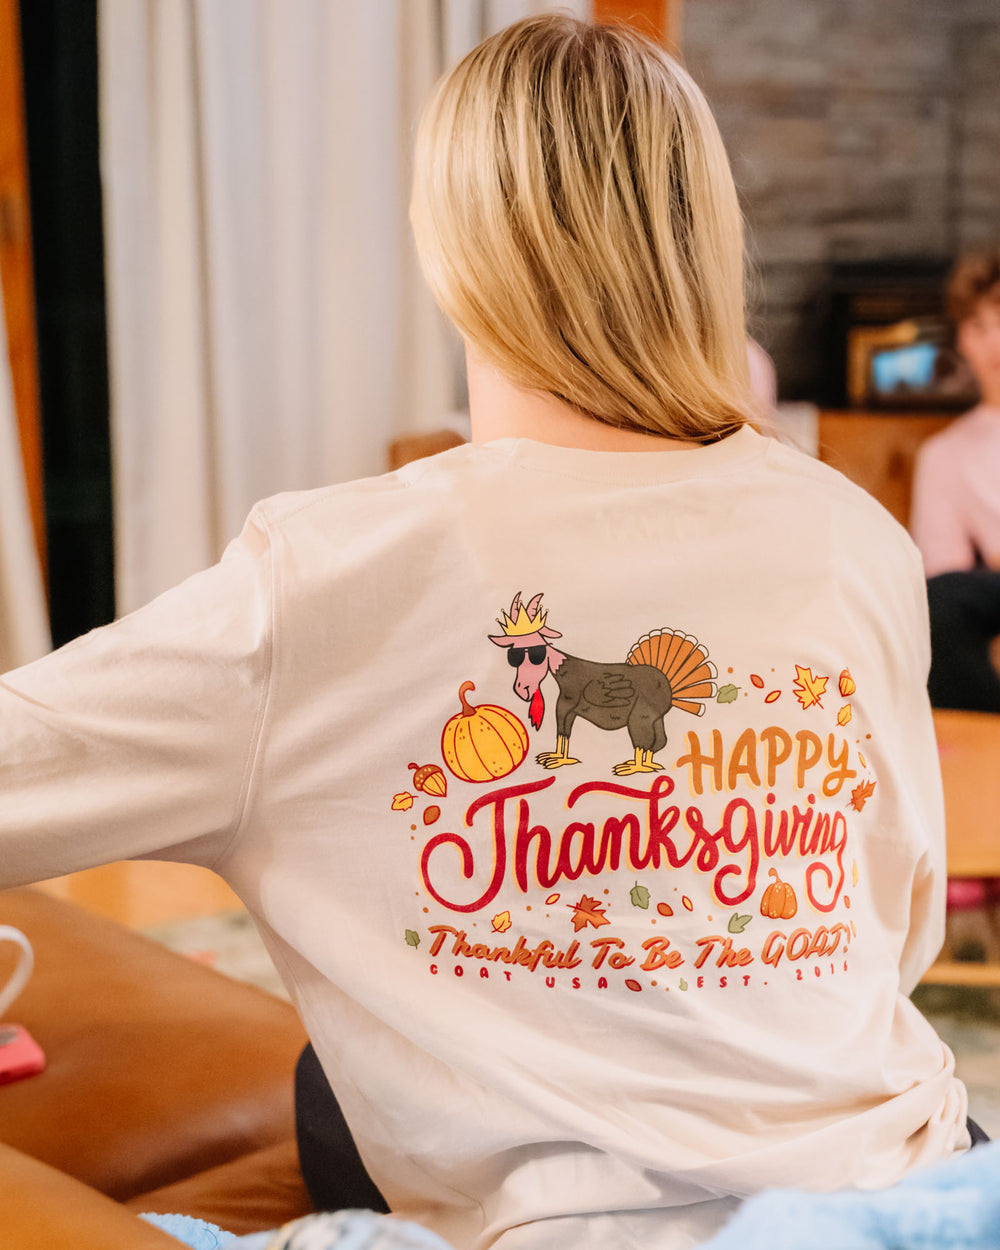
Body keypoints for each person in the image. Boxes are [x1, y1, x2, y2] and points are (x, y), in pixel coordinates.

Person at [0, 16, 978, 1250]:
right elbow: (896, 929)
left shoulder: (319, 583)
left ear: (449, 247)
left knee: (341, 1085)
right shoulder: (857, 535)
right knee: (326, 1092)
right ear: (707, 238)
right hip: (913, 1176)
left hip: (574, 1227)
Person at [910, 248, 1000, 712]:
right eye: (979, 327)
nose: (994, 344)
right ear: (961, 340)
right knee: (939, 603)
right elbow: (944, 587)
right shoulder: (945, 455)